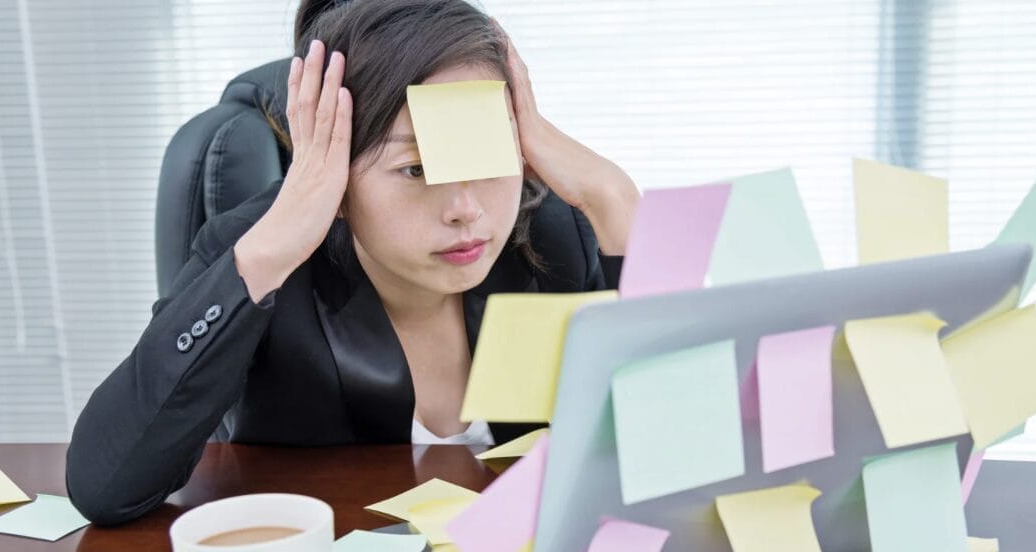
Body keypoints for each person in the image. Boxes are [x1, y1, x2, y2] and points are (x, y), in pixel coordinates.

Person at [66, 0, 640, 525]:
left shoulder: (548, 229)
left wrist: (617, 204)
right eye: (416, 169)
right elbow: (105, 487)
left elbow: (667, 444)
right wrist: (268, 254)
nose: (467, 210)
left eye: (488, 152)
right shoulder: (261, 248)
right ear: (335, 171)